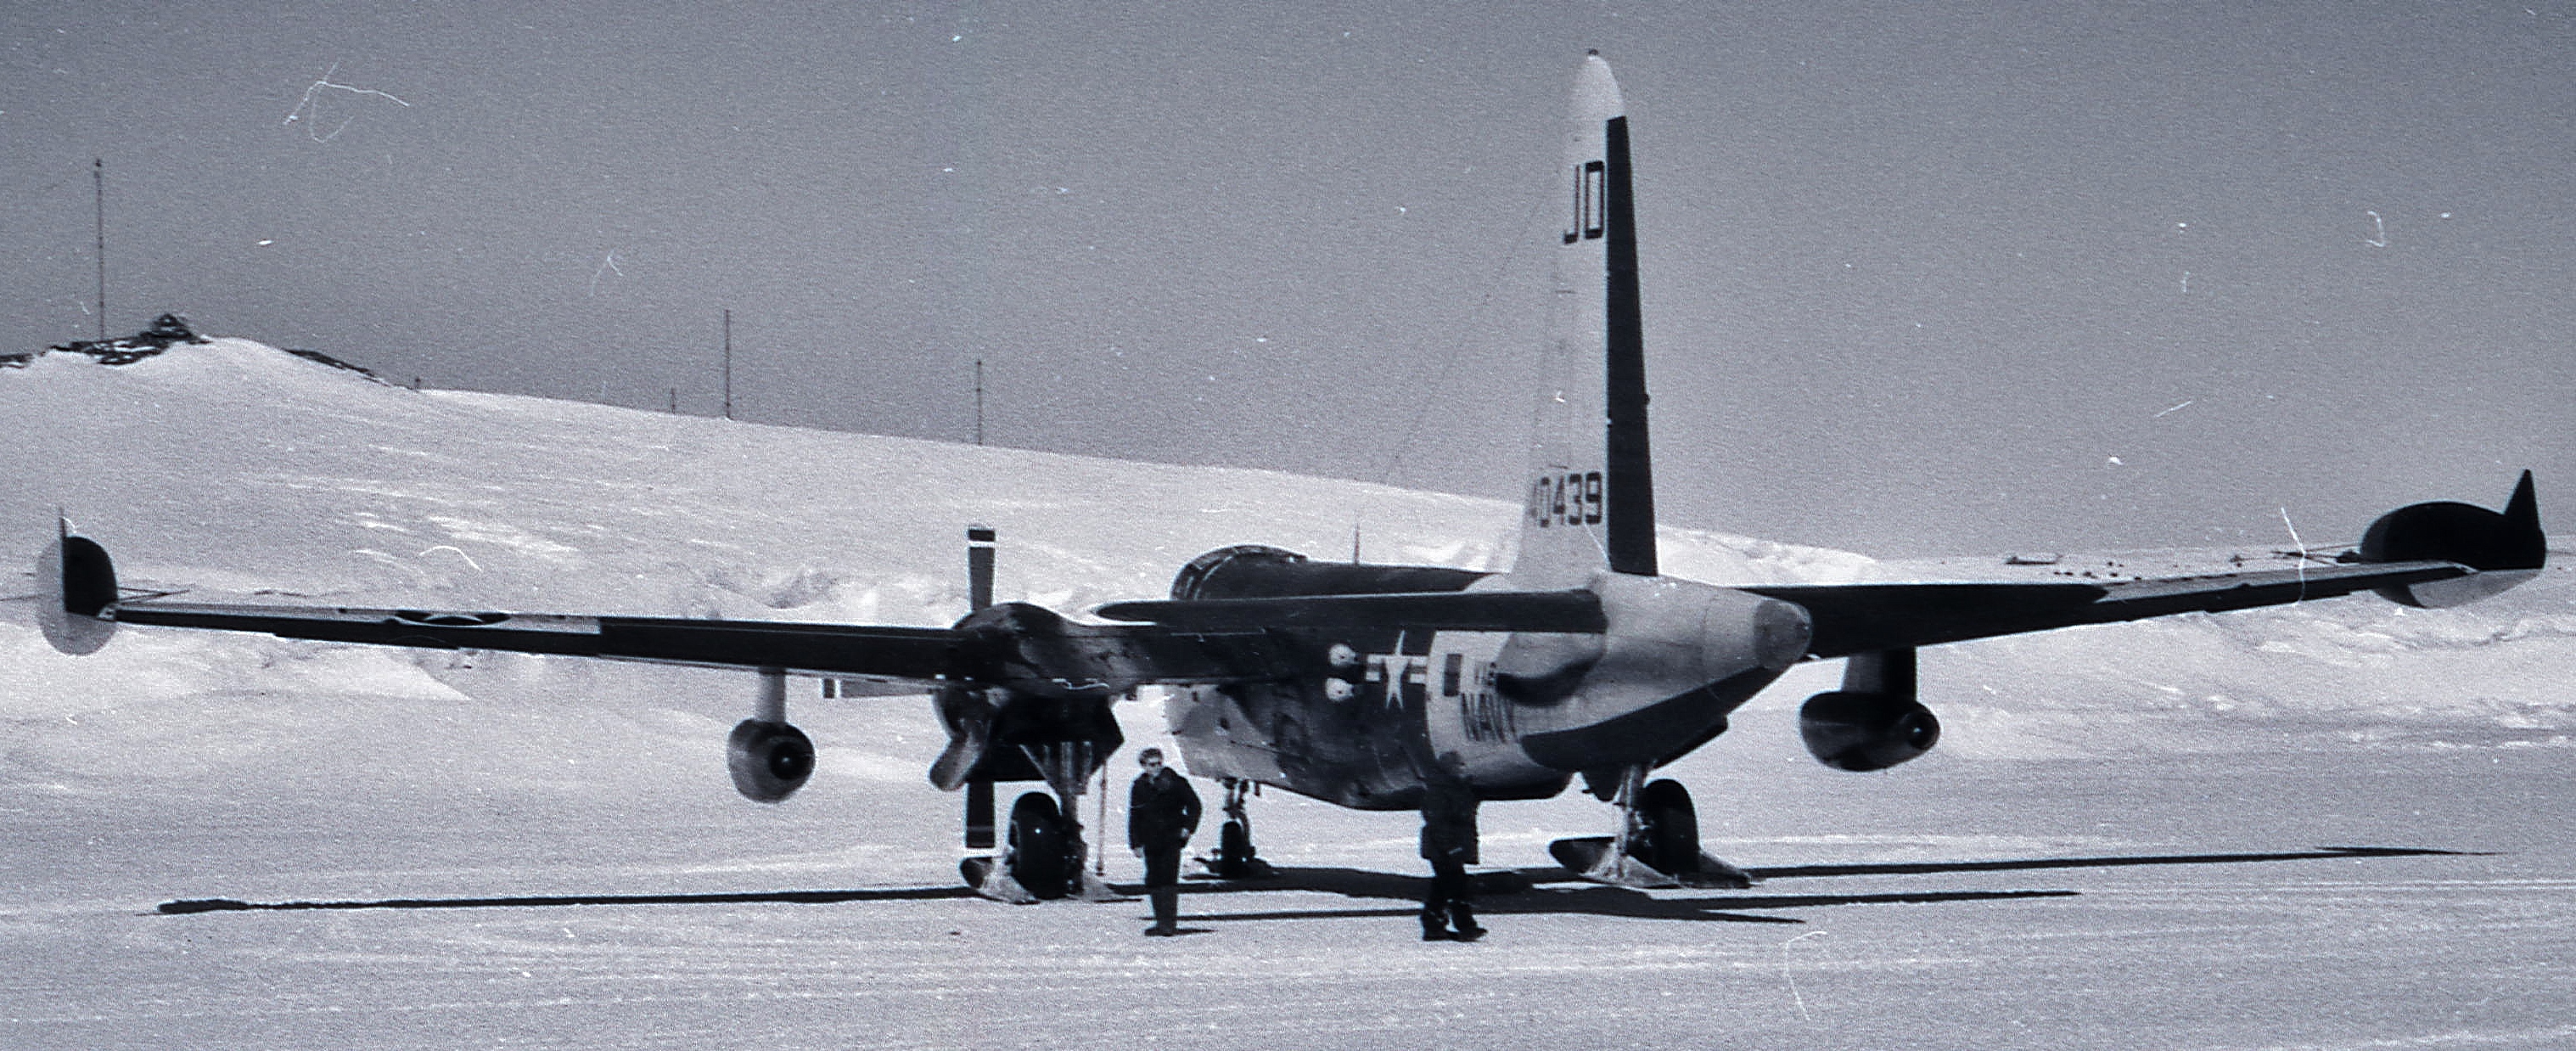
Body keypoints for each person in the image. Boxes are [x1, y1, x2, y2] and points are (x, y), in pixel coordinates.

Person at [1126, 748, 1201, 936]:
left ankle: (1169, 924)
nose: (1157, 768)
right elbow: (1135, 815)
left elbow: (1195, 805)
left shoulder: (1176, 782)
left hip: (1171, 837)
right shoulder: (1139, 786)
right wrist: (1135, 842)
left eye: (1159, 763)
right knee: (1153, 879)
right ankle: (1160, 922)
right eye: (1152, 764)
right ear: (1144, 766)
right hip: (1150, 838)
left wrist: (1188, 828)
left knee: (1168, 879)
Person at [1418, 775, 1486, 941]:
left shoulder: (1456, 789)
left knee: (1443, 886)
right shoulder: (1439, 792)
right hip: (1443, 849)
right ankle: (1465, 925)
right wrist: (1450, 847)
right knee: (1456, 886)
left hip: (1450, 847)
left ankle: (1433, 924)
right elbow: (1438, 824)